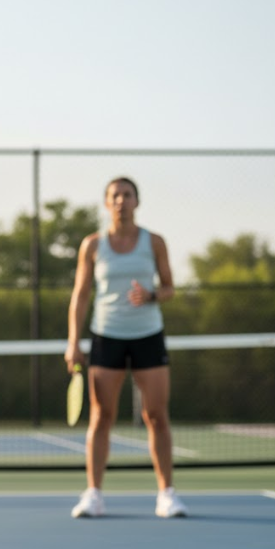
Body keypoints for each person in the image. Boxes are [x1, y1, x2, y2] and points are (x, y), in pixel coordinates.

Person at [65, 177, 187, 519]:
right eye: (115, 195)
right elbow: (81, 295)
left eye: (127, 195)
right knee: (101, 416)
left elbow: (170, 288)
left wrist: (151, 296)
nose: (121, 200)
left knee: (157, 416)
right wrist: (73, 342)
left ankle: (167, 494)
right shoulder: (92, 245)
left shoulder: (155, 242)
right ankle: (94, 495)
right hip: (106, 337)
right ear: (107, 203)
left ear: (137, 201)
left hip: (149, 335)